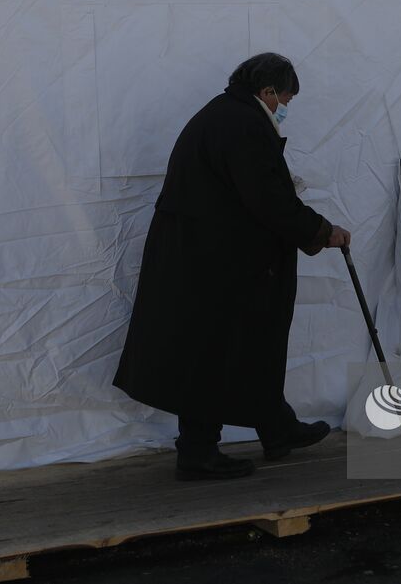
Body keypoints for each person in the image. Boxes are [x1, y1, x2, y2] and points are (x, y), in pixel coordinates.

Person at [113, 53, 351, 480]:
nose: (284, 108)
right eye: (285, 100)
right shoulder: (243, 124)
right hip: (213, 262)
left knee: (241, 346)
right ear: (267, 91)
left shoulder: (225, 114)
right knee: (213, 352)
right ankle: (198, 453)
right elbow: (267, 198)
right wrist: (321, 230)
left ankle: (276, 428)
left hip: (207, 255)